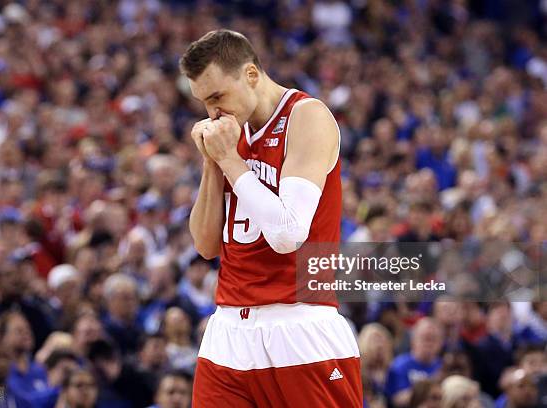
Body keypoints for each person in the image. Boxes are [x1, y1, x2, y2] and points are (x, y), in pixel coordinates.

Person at [180, 29, 361, 407]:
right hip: (228, 330)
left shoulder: (307, 116)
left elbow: (288, 232)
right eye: (204, 103)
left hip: (298, 323)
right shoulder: (229, 136)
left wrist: (230, 159)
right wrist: (212, 163)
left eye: (217, 97)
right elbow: (205, 244)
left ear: (250, 74)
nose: (213, 113)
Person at [385, 317, 444, 407]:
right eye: (425, 338)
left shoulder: (443, 366)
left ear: (440, 343)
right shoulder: (399, 365)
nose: (429, 343)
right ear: (413, 340)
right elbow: (397, 399)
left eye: (433, 339)